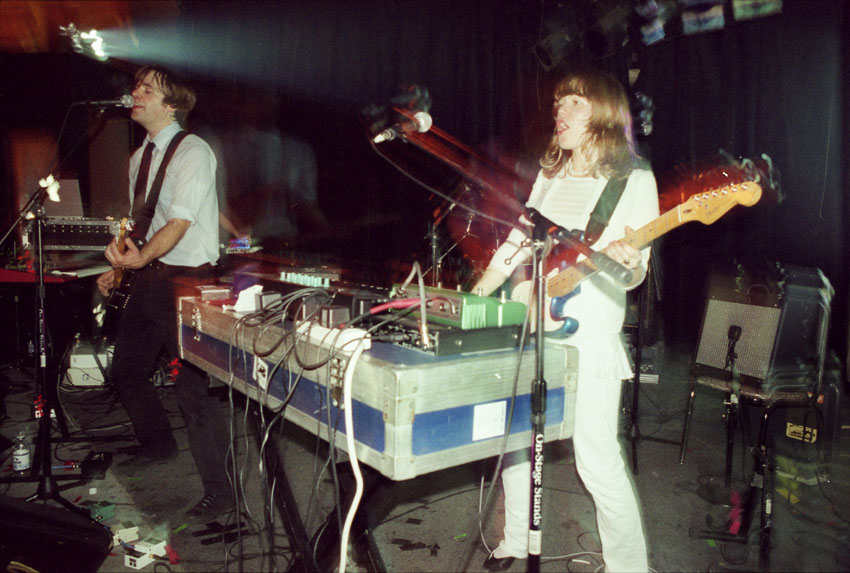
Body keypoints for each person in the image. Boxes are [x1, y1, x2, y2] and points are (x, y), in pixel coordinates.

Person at [471, 68, 659, 572]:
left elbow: (635, 274)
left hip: (589, 334)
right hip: (534, 324)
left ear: (604, 113)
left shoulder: (634, 179)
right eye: (559, 101)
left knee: (596, 459)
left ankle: (630, 567)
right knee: (517, 442)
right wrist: (480, 291)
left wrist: (627, 261)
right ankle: (515, 538)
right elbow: (519, 237)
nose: (560, 109)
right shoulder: (550, 175)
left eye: (575, 101)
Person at [96, 65, 231, 523]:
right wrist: (119, 267)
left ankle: (221, 491)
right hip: (150, 274)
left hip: (187, 277)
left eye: (147, 89)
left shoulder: (193, 151)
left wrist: (140, 259)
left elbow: (179, 222)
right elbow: (144, 225)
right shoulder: (139, 158)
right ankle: (158, 444)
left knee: (192, 390)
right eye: (136, 86)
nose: (135, 94)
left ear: (171, 104)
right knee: (126, 369)